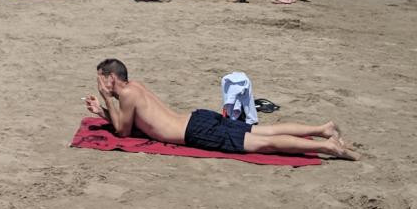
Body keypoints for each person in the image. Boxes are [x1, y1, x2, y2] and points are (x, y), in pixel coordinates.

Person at [85, 59, 356, 159]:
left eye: (101, 78)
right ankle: (323, 129)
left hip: (196, 131)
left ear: (110, 78)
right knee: (263, 130)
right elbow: (130, 123)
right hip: (199, 118)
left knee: (264, 144)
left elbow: (123, 132)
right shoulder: (136, 87)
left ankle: (328, 147)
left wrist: (106, 99)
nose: (100, 83)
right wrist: (102, 112)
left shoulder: (126, 94)